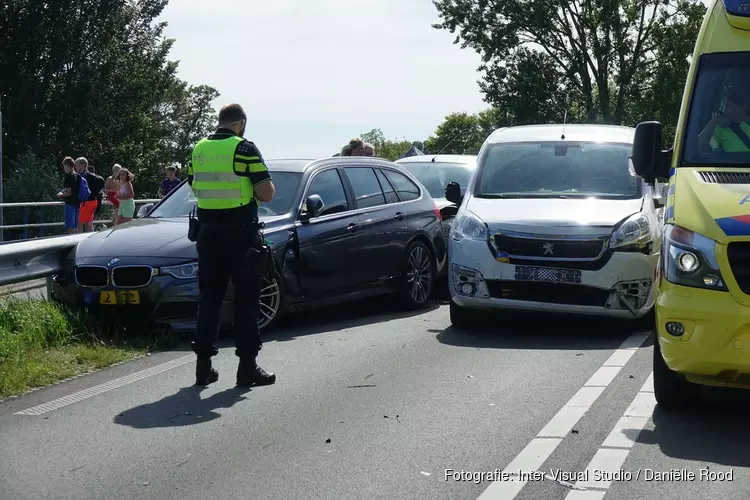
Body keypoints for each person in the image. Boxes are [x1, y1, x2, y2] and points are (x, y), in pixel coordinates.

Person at [188, 102, 276, 387]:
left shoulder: (198, 149)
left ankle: (203, 369)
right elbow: (267, 193)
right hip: (240, 234)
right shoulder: (244, 149)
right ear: (241, 123)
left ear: (220, 121)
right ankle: (247, 369)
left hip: (208, 234)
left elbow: (194, 185)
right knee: (247, 302)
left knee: (209, 301)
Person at [699, 84, 750, 152]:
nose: (725, 111)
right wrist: (713, 123)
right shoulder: (722, 128)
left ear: (745, 107)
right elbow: (698, 150)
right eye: (725, 106)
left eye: (729, 107)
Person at [75, 157, 105, 233]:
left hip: (85, 203)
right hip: (93, 202)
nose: (75, 167)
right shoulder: (94, 177)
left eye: (76, 165)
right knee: (89, 224)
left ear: (82, 165)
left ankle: (79, 240)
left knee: (79, 223)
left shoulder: (82, 176)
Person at [57, 157, 80, 234]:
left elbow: (69, 192)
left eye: (64, 166)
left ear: (67, 165)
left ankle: (73, 243)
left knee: (70, 227)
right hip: (77, 203)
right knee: (76, 226)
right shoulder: (78, 175)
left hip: (70, 204)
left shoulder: (69, 176)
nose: (64, 168)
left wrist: (60, 195)